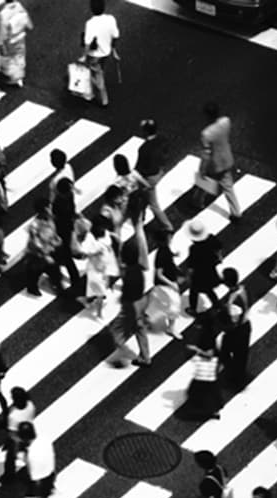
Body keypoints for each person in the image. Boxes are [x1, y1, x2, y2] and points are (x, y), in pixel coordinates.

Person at [109, 213, 151, 368]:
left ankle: (122, 352)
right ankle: (145, 356)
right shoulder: (139, 269)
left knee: (116, 330)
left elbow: (127, 294)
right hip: (142, 300)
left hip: (132, 305)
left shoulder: (128, 274)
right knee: (140, 329)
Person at [194, 102, 240, 219]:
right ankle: (236, 212)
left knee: (204, 180)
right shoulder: (226, 121)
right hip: (227, 159)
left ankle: (197, 202)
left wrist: (202, 169)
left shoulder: (206, 134)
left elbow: (206, 154)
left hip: (214, 164)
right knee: (228, 187)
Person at [16, 421, 57, 498]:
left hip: (41, 480)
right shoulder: (44, 439)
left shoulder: (32, 456)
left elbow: (36, 481)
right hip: (50, 473)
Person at [134, 119, 173, 231]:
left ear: (145, 131)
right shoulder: (162, 139)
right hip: (159, 172)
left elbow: (140, 168)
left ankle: (167, 226)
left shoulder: (144, 149)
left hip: (148, 178)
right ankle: (141, 216)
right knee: (142, 196)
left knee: (153, 203)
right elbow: (165, 154)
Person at [81, 0, 119, 107]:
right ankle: (93, 93)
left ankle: (103, 98)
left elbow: (87, 42)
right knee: (100, 70)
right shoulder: (111, 19)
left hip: (95, 54)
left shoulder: (90, 24)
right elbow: (116, 36)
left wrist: (84, 55)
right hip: (106, 52)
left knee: (93, 74)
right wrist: (114, 49)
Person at [218, 267, 250, 389]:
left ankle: (237, 380)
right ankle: (237, 376)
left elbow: (233, 321)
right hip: (245, 325)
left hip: (238, 330)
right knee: (240, 355)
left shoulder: (233, 302)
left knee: (231, 354)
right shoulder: (243, 288)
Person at [24, 196, 63, 296]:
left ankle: (57, 284)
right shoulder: (35, 225)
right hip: (37, 254)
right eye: (48, 207)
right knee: (36, 271)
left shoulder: (50, 218)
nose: (50, 209)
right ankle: (32, 288)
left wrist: (56, 240)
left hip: (49, 249)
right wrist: (45, 255)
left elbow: (53, 231)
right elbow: (35, 243)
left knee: (54, 269)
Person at [183, 321, 221, 421]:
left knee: (201, 392)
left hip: (206, 371)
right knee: (210, 392)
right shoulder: (211, 337)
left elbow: (209, 354)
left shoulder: (207, 339)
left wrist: (196, 350)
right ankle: (213, 411)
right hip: (209, 372)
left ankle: (202, 410)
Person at [185, 220, 222, 317]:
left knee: (194, 290)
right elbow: (219, 247)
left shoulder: (194, 249)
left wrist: (188, 277)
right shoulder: (210, 238)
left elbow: (191, 266)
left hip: (199, 273)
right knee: (209, 289)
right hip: (210, 269)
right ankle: (217, 305)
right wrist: (219, 257)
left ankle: (193, 309)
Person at [0, 387, 36, 483]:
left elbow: (12, 433)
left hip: (17, 438)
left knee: (10, 459)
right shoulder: (30, 405)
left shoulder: (13, 416)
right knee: (29, 455)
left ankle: (9, 477)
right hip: (28, 434)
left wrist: (10, 444)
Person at [52, 178, 81, 294]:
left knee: (64, 253)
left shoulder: (69, 196)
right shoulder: (57, 202)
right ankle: (74, 278)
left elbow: (72, 209)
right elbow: (57, 218)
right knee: (66, 254)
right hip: (61, 230)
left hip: (68, 228)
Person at [152, 228, 181, 338]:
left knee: (167, 303)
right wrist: (171, 284)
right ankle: (171, 328)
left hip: (167, 283)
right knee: (174, 305)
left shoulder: (165, 250)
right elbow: (159, 274)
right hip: (165, 284)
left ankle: (170, 325)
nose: (171, 239)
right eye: (169, 238)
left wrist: (174, 255)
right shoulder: (162, 254)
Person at [0, 0, 33, 87]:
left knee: (11, 58)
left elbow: (3, 33)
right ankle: (20, 72)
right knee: (20, 54)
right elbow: (28, 23)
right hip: (21, 35)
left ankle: (16, 77)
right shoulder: (19, 5)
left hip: (11, 40)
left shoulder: (3, 14)